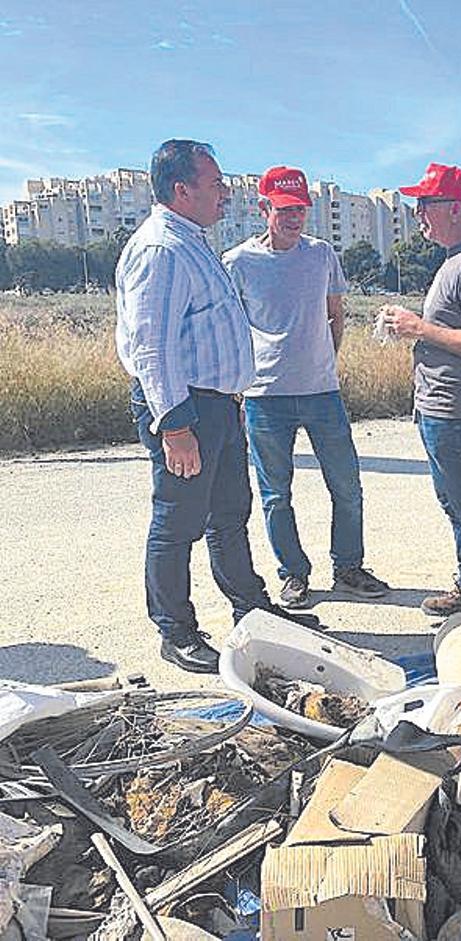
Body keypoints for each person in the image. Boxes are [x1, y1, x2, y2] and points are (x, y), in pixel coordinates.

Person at [115, 140, 311, 674]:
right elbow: (151, 346)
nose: (225, 192)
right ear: (182, 189)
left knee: (230, 514)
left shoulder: (193, 241)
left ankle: (252, 612)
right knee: (178, 521)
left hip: (219, 406)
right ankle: (175, 631)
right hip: (184, 409)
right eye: (215, 182)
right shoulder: (161, 249)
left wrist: (230, 397)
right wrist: (174, 425)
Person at [223, 165, 390, 610]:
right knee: (276, 494)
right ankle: (293, 574)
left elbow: (336, 314)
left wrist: (324, 361)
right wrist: (240, 382)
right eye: (285, 209)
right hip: (264, 397)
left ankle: (349, 567)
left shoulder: (321, 255)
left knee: (347, 485)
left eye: (300, 209)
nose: (295, 217)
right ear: (264, 209)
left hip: (321, 392)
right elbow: (233, 328)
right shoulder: (238, 262)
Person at [376, 163, 461, 630]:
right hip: (440, 406)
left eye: (425, 205)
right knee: (457, 502)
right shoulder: (455, 260)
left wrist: (417, 327)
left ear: (456, 208)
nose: (418, 215)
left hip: (456, 409)